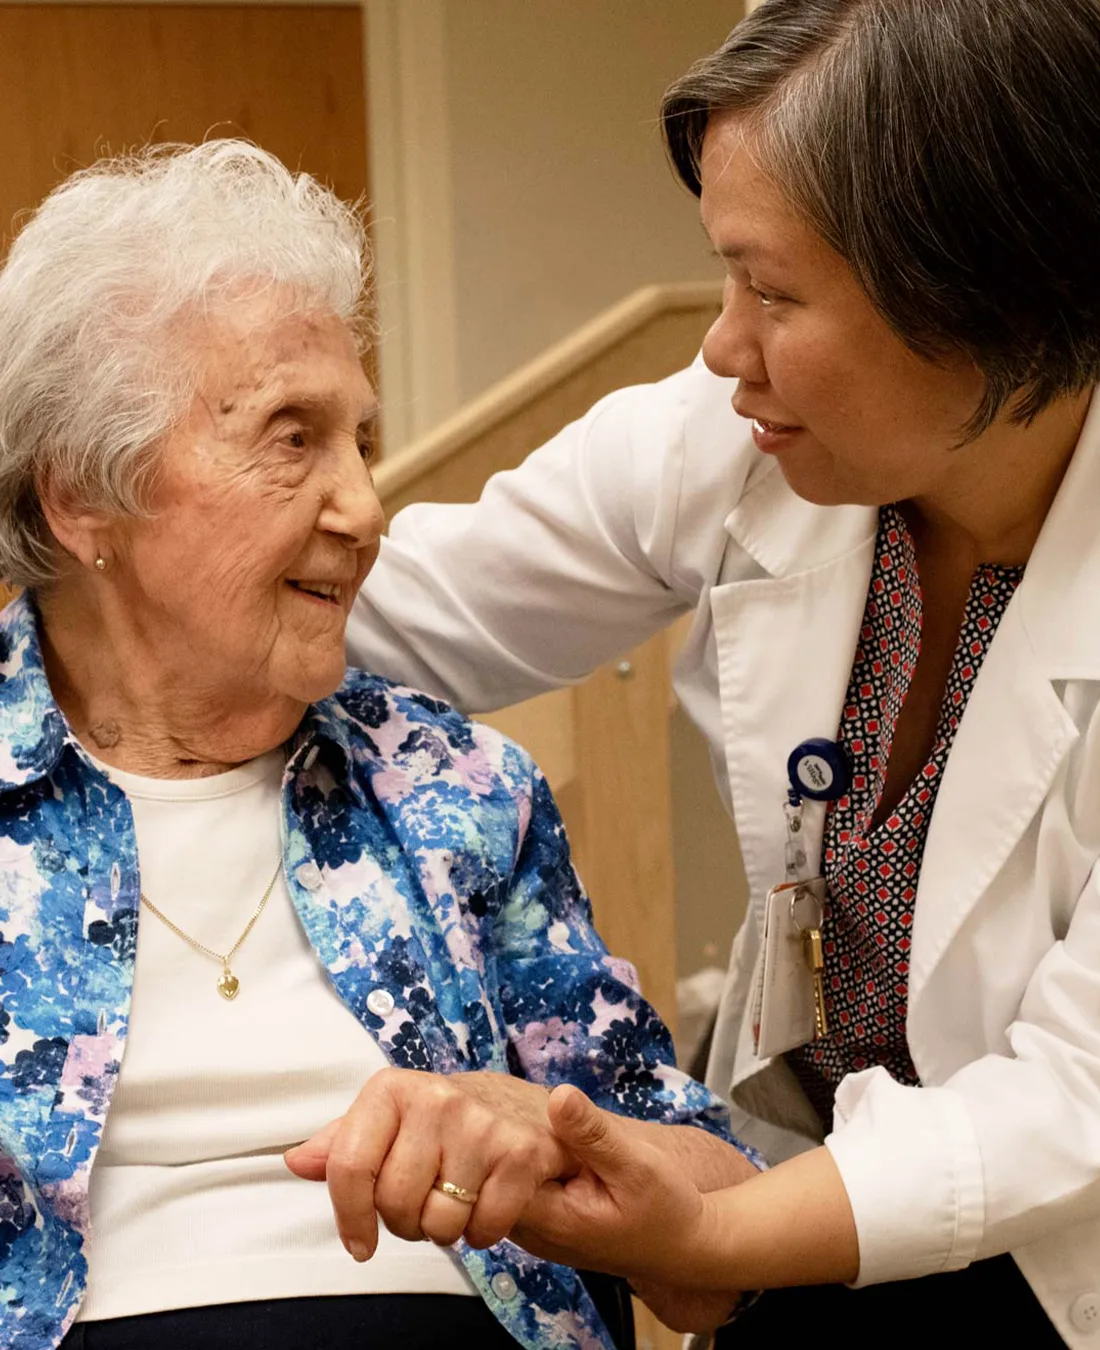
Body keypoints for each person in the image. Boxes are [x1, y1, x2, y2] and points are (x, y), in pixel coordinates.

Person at [348, 0, 1100, 1343]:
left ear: (983, 285)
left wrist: (708, 1227)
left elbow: (1070, 1097)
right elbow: (398, 612)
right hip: (816, 1186)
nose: (719, 342)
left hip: (1064, 1251)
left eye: (773, 288)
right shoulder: (746, 435)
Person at [0, 140, 754, 1350]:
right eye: (291, 437)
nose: (363, 507)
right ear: (82, 497)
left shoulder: (457, 792)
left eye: (359, 439)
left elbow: (725, 1255)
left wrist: (545, 1137)